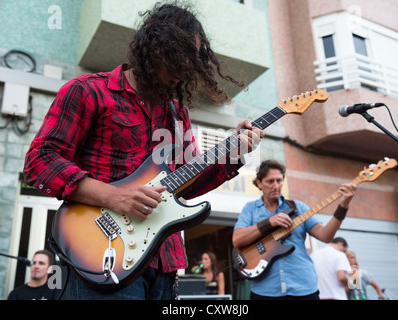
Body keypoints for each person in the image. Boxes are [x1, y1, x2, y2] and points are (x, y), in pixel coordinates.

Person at [23, 2, 262, 300]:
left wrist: (233, 153)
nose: (183, 68)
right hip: (103, 255)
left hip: (164, 262)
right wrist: (115, 196)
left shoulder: (178, 114)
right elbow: (40, 161)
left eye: (190, 60)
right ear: (153, 46)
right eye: (177, 58)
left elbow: (186, 185)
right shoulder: (88, 90)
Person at [232, 160, 357, 300]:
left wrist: (343, 206)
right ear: (259, 183)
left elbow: (325, 236)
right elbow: (237, 239)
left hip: (303, 288)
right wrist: (269, 222)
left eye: (279, 180)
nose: (276, 186)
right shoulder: (251, 208)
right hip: (265, 290)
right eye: (270, 181)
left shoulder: (299, 208)